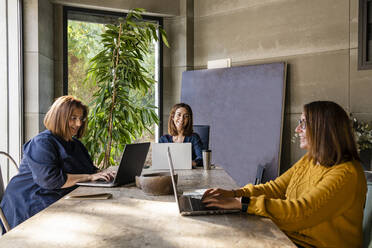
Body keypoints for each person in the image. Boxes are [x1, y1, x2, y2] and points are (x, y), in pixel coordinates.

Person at [202, 101, 367, 248]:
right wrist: (233, 194)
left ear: (322, 128)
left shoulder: (347, 174)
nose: (297, 129)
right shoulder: (309, 160)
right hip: (289, 239)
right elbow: (275, 188)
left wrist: (242, 203)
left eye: (303, 123)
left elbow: (303, 212)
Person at [0, 96, 114, 232]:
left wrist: (100, 173)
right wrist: (88, 177)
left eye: (81, 118)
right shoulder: (42, 142)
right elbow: (51, 180)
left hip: (58, 197)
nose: (78, 124)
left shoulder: (76, 144)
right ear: (59, 117)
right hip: (31, 202)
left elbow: (88, 169)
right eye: (73, 118)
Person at [160, 103, 203, 167]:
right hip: (168, 173)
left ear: (189, 120)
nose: (182, 119)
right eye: (179, 115)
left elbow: (201, 159)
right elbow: (159, 160)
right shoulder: (163, 139)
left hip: (189, 174)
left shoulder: (194, 138)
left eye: (186, 116)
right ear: (172, 117)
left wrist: (189, 164)